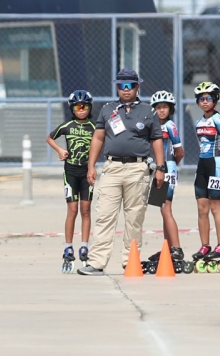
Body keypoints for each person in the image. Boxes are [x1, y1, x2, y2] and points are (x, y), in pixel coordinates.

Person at [77, 68, 165, 276]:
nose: (125, 90)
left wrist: (161, 168)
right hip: (112, 168)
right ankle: (97, 262)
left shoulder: (148, 111)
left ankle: (130, 261)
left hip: (138, 168)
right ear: (117, 87)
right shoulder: (108, 109)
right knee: (105, 215)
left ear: (137, 87)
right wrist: (91, 166)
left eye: (130, 86)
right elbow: (98, 138)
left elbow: (157, 139)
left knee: (134, 216)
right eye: (121, 86)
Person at [46, 90, 95, 271]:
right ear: (72, 108)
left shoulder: (94, 127)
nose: (81, 110)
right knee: (72, 209)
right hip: (71, 172)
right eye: (78, 107)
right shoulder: (67, 125)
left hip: (86, 173)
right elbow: (49, 137)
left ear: (90, 108)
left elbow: (102, 142)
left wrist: (94, 164)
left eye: (85, 107)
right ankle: (68, 246)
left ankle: (84, 245)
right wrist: (59, 150)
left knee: (86, 209)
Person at [192, 82, 220, 263]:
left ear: (215, 100)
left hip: (217, 164)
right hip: (202, 164)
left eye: (208, 98)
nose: (204, 102)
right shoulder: (198, 122)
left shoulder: (219, 120)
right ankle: (205, 246)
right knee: (202, 208)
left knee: (215, 207)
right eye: (201, 99)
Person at [147, 90, 185, 264]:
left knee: (166, 209)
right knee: (162, 210)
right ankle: (167, 247)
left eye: (165, 107)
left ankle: (176, 249)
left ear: (171, 109)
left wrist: (172, 167)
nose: (162, 111)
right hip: (157, 170)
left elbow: (180, 152)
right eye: (159, 107)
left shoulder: (170, 126)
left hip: (167, 169)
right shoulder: (152, 125)